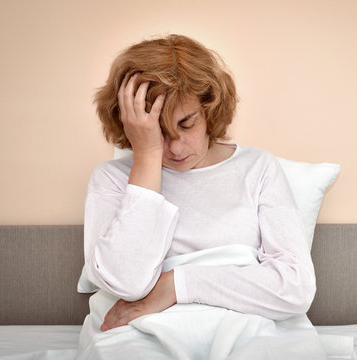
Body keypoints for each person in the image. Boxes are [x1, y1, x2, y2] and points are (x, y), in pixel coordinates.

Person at [81, 34, 319, 355]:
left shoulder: (257, 166)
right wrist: (148, 156)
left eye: (186, 123)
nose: (176, 148)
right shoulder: (111, 179)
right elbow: (127, 283)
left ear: (209, 109)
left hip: (245, 321)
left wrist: (177, 285)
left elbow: (295, 288)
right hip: (140, 328)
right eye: (159, 133)